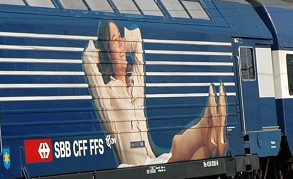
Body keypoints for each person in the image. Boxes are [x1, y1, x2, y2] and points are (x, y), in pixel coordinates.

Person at [82, 20, 227, 166]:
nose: (121, 42)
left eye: (121, 37)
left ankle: (211, 133)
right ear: (105, 51)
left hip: (152, 159)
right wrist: (102, 53)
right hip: (135, 166)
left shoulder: (135, 80)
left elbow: (137, 40)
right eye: (115, 39)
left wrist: (117, 46)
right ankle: (208, 127)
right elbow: (88, 59)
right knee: (183, 144)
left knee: (202, 152)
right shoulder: (107, 94)